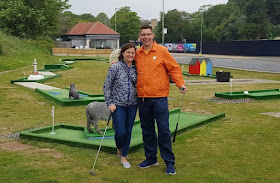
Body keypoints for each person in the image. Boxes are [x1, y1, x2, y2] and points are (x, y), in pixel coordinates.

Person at [134, 25, 187, 175]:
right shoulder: (137, 53)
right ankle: (151, 158)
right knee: (147, 130)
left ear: (153, 35)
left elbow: (174, 69)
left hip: (159, 98)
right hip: (143, 99)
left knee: (163, 130)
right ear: (140, 36)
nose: (145, 37)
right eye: (143, 34)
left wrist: (180, 84)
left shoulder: (162, 51)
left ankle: (169, 162)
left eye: (148, 34)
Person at [103, 43, 137, 168]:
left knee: (128, 131)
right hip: (118, 106)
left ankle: (124, 157)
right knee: (120, 131)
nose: (130, 55)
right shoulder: (115, 67)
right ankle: (119, 146)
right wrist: (110, 103)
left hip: (133, 105)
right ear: (122, 53)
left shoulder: (136, 68)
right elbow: (107, 86)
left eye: (133, 53)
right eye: (128, 52)